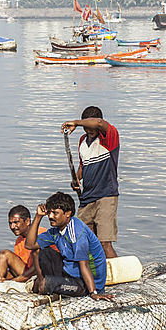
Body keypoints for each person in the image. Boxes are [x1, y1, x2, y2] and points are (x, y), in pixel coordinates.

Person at [24, 192, 113, 300]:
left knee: (45, 285)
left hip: (85, 281)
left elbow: (84, 264)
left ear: (68, 214)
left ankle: (47, 285)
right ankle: (42, 282)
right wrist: (38, 217)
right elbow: (30, 245)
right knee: (37, 252)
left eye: (55, 213)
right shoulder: (56, 231)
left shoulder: (76, 232)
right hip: (69, 272)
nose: (50, 216)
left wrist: (93, 292)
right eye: (49, 213)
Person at [61, 106, 120, 258]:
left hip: (106, 196)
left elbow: (99, 123)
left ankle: (119, 276)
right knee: (83, 240)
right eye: (86, 128)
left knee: (104, 243)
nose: (89, 130)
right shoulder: (82, 141)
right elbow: (83, 165)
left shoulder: (109, 137)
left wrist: (76, 122)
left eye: (90, 126)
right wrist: (77, 179)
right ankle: (94, 275)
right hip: (87, 197)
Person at [0, 205, 48, 284]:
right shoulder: (19, 240)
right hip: (26, 274)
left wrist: (11, 282)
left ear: (27, 221)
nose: (12, 226)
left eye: (16, 222)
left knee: (4, 254)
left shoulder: (41, 234)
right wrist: (2, 280)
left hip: (40, 274)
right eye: (10, 223)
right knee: (3, 259)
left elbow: (38, 267)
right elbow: (19, 267)